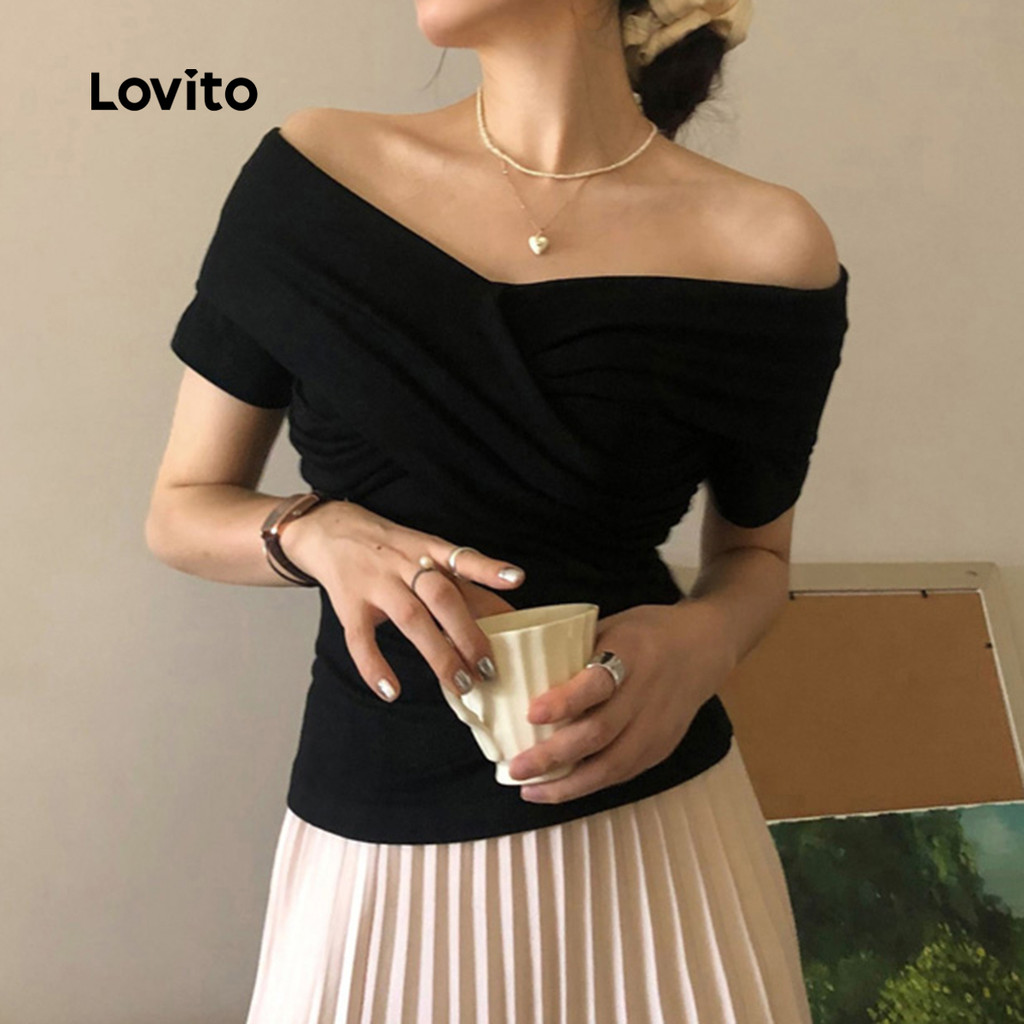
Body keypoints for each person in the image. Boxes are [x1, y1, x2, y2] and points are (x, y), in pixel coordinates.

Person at [146, 0, 851, 1020]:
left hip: (655, 852)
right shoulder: (309, 178)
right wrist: (314, 532)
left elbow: (757, 560)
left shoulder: (768, 245)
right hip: (371, 849)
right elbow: (179, 511)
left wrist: (702, 643)